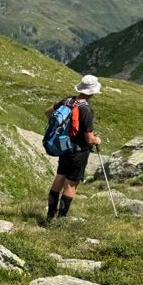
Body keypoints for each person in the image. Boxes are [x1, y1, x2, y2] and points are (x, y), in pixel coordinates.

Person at [44, 74, 102, 221]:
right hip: (78, 151)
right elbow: (89, 139)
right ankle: (61, 218)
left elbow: (48, 112)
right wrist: (97, 140)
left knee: (60, 177)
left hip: (64, 146)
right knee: (71, 183)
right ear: (93, 91)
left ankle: (50, 216)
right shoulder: (86, 110)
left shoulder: (68, 101)